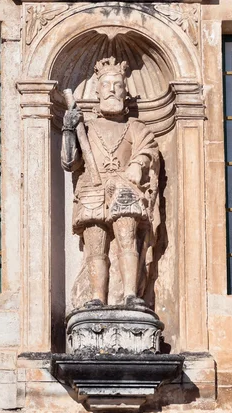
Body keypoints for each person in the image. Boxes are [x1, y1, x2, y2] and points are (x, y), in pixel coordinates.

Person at [61, 57, 160, 307]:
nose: (113, 89)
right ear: (98, 91)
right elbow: (69, 161)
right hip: (92, 190)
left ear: (126, 91)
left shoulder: (135, 127)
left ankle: (130, 295)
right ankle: (97, 298)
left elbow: (148, 148)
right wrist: (69, 131)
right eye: (106, 85)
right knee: (96, 246)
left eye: (118, 84)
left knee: (127, 240)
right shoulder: (88, 127)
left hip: (124, 188)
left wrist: (137, 164)